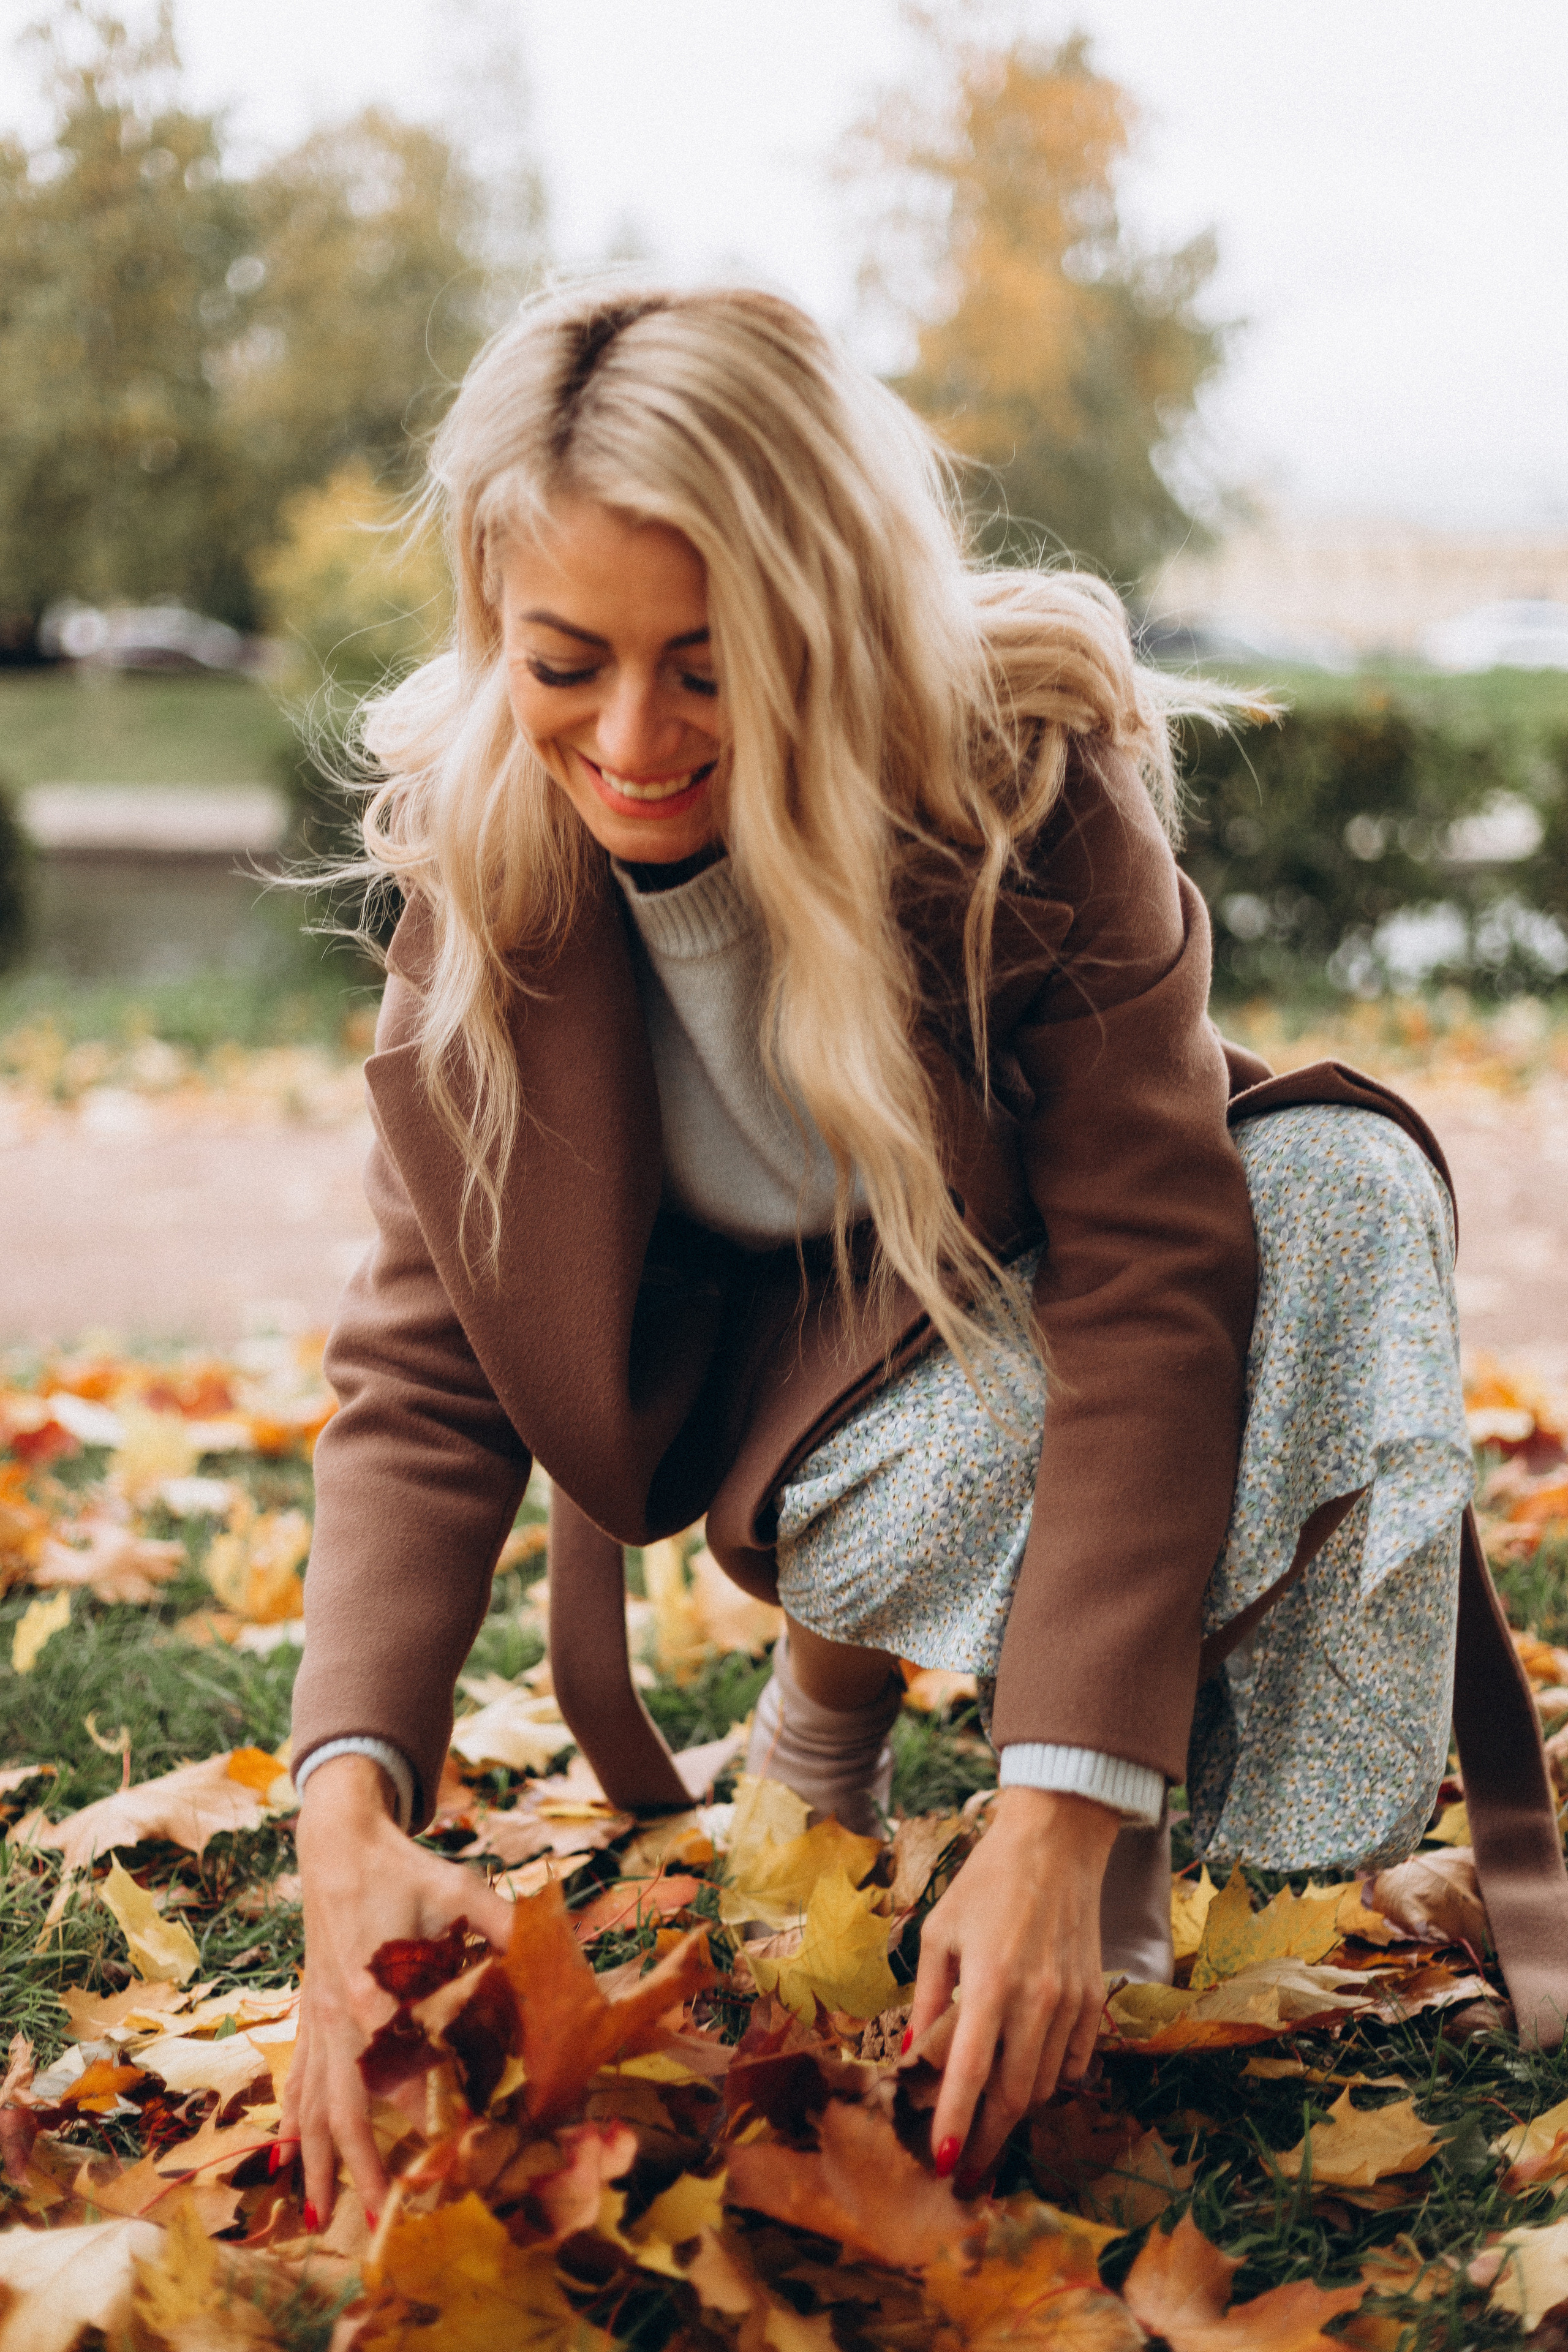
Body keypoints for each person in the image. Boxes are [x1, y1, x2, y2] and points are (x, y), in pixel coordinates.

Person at [282, 282, 1568, 2229]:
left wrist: (1063, 1813)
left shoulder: (1018, 792)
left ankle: (1113, 1822)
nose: (631, 741)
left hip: (1014, 1281)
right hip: (760, 1409)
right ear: (493, 624)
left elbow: (1150, 1283)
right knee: (964, 1416)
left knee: (1339, 1189)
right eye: (564, 664)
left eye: (710, 667)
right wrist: (344, 1812)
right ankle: (832, 1703)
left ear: (830, 617)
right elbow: (420, 1379)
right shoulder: (484, 869)